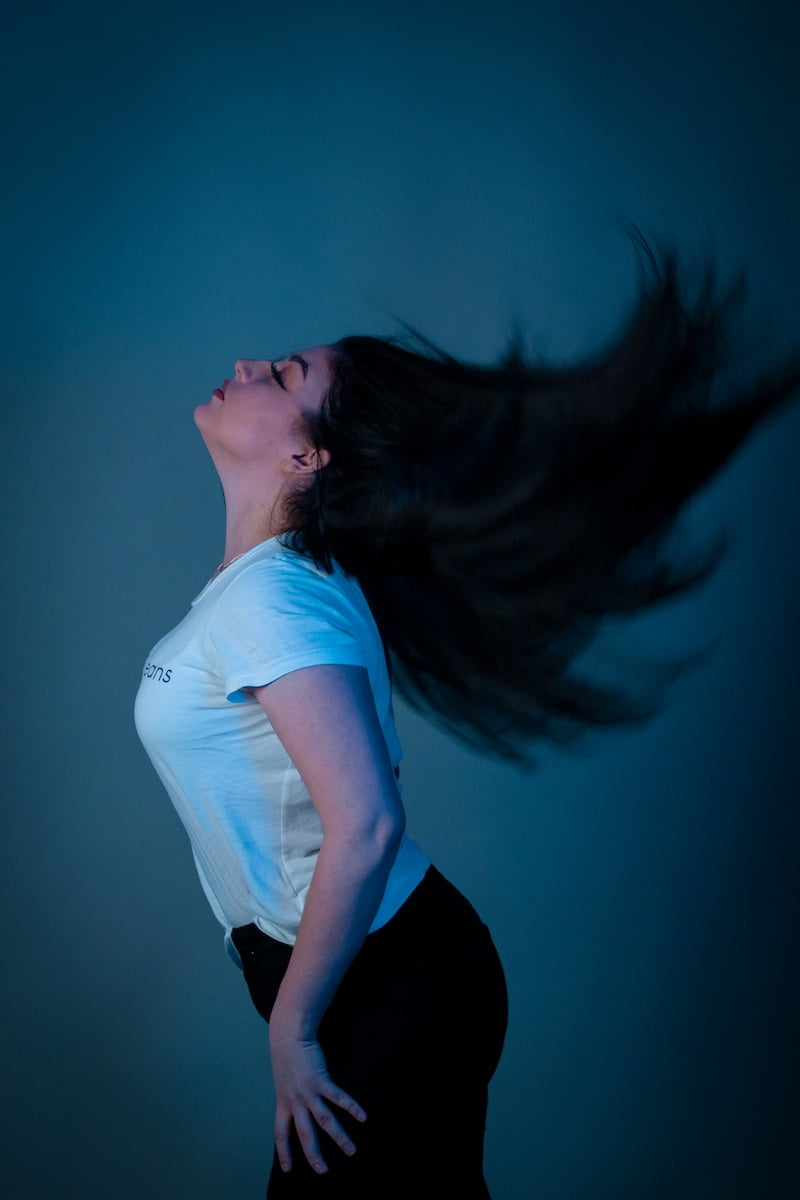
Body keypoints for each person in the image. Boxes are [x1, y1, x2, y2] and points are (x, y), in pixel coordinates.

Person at [134, 239, 798, 1198]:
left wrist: (292, 1027)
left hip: (378, 987)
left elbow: (365, 824)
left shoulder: (272, 600)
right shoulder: (278, 587)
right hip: (375, 973)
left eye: (281, 374)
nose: (245, 366)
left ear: (309, 454)